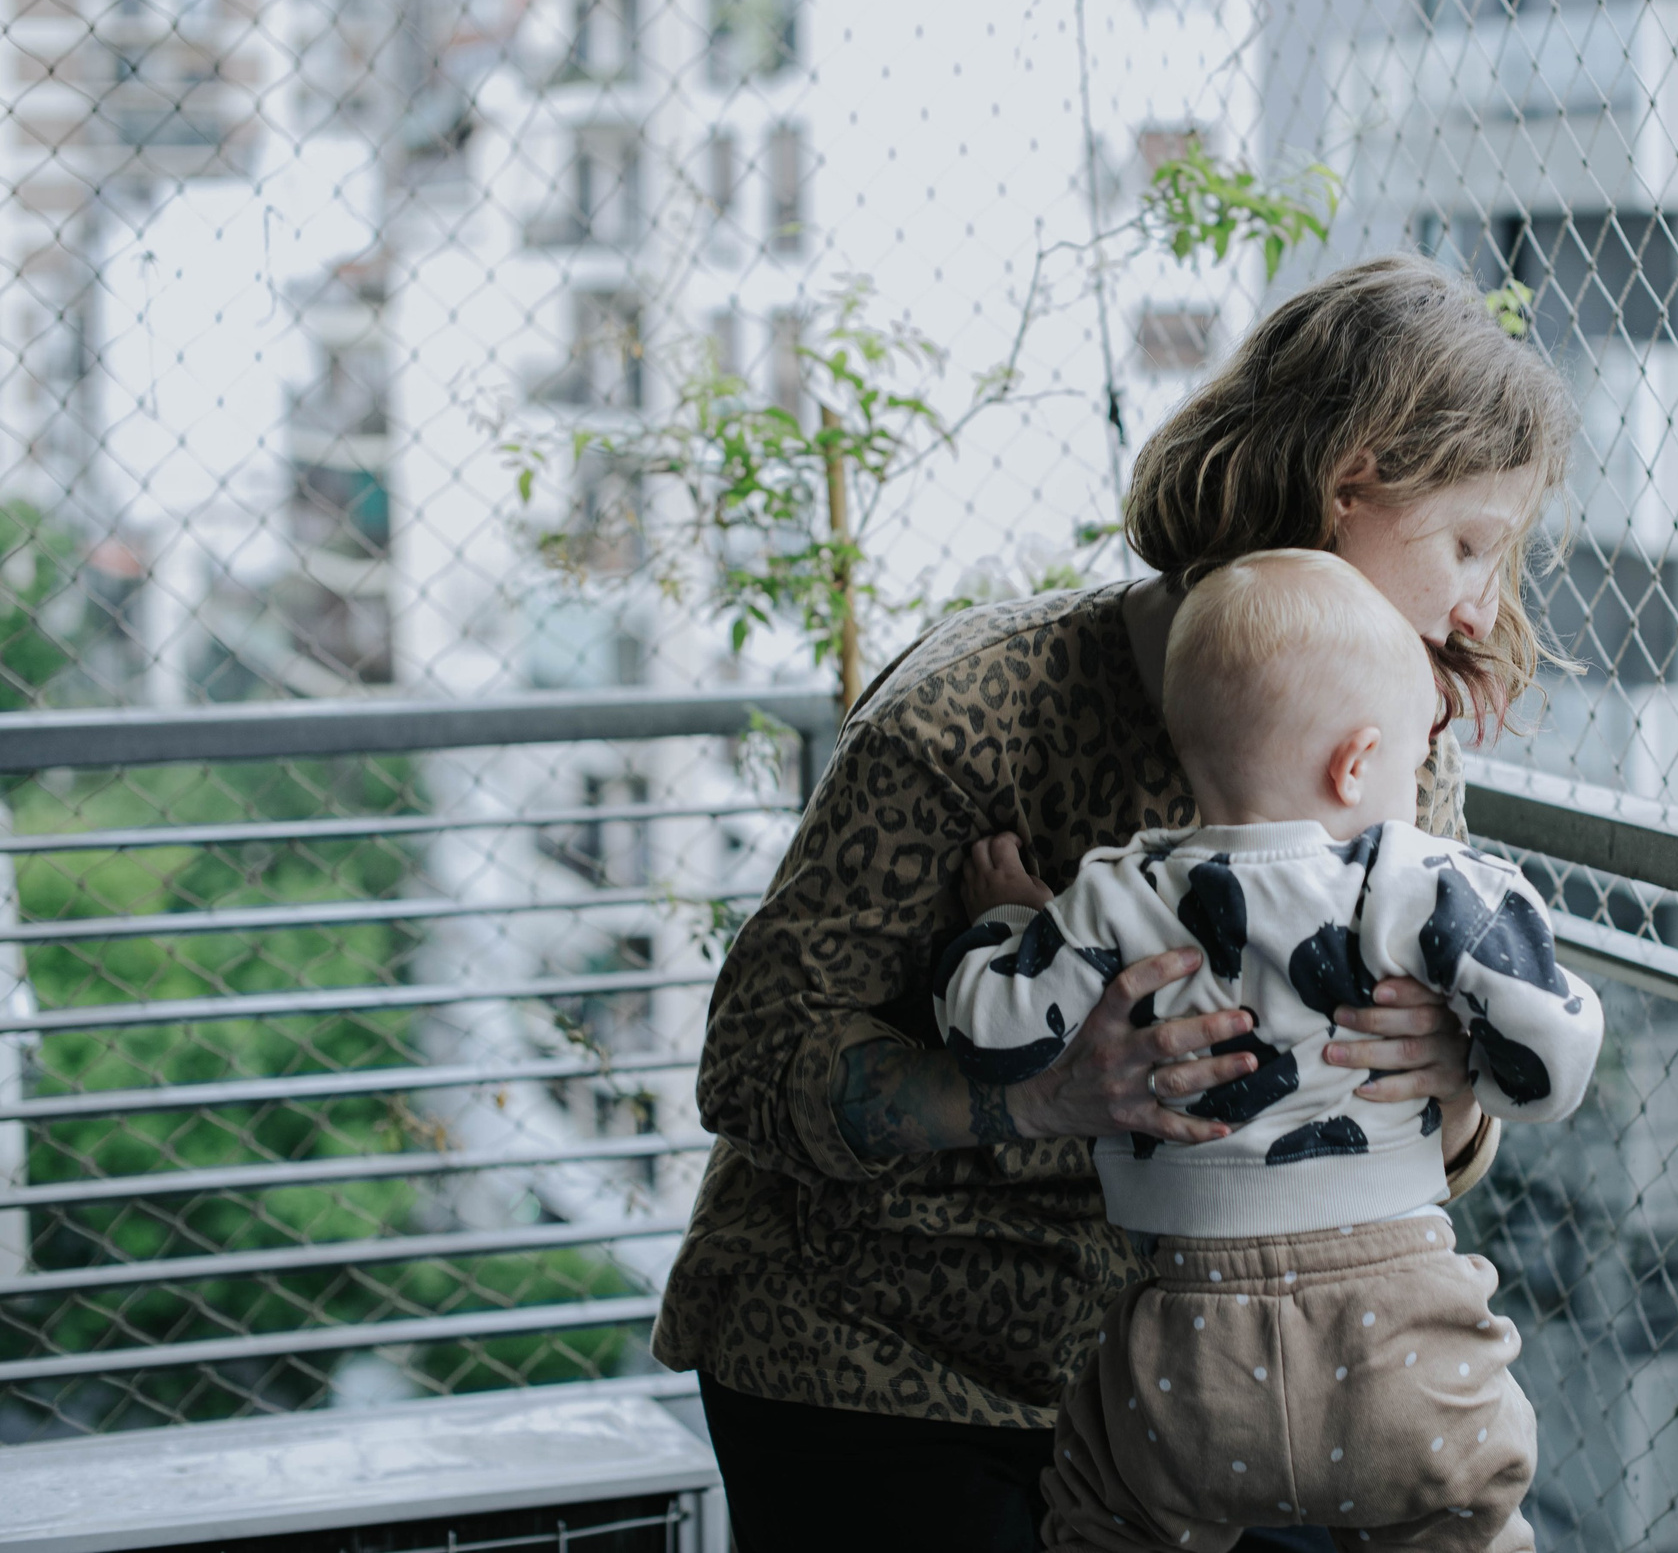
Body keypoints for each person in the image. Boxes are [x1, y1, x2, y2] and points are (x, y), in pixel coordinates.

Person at [649, 255, 1576, 1550]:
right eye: (1468, 543)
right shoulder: (977, 709)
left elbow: (1440, 1146)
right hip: (877, 1360)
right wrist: (1038, 1095)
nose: (1481, 603)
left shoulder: (1389, 739)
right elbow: (751, 1062)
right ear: (1349, 487)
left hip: (1208, 1384)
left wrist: (1454, 1075)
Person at [938, 549, 1604, 1553]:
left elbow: (990, 1028)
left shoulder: (1122, 889)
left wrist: (1004, 923)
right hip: (1403, 1342)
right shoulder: (1422, 880)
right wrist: (1470, 1055)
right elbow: (1553, 1056)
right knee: (1465, 1521)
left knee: (1106, 1521)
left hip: (1188, 1352)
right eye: (1411, 766)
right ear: (1357, 762)